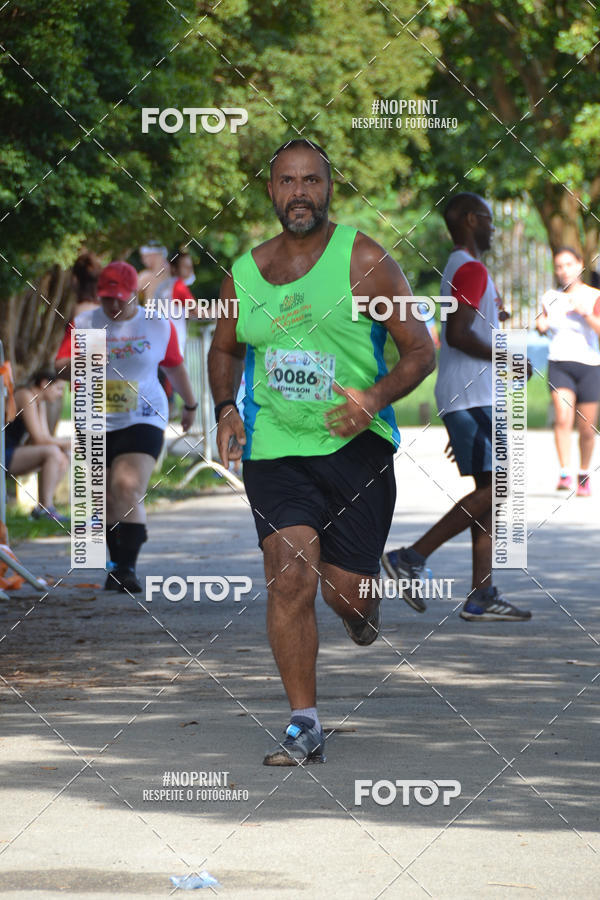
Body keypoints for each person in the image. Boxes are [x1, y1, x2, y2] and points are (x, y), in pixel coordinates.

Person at [208, 139, 435, 766]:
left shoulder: (364, 260)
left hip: (356, 447)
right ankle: (303, 724)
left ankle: (363, 610)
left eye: (312, 180)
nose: (300, 192)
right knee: (289, 575)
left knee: (344, 593)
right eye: (287, 181)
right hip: (276, 448)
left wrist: (373, 396)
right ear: (271, 190)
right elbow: (224, 349)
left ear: (328, 188)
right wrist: (227, 408)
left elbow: (420, 351)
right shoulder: (245, 273)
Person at [382, 192, 532, 623]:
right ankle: (413, 555)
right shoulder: (468, 268)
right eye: (488, 218)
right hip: (473, 395)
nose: (493, 228)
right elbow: (458, 334)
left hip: (471, 396)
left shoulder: (464, 268)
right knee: (500, 487)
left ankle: (481, 594)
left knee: (493, 492)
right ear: (470, 219)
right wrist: (510, 360)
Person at [56, 261, 198, 592]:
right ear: (98, 295)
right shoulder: (85, 322)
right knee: (104, 494)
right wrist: (81, 360)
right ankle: (114, 563)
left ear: (135, 294)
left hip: (143, 414)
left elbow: (175, 367)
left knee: (127, 486)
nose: (114, 306)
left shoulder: (156, 324)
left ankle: (127, 568)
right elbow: (59, 367)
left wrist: (190, 404)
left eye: (121, 298)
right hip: (93, 415)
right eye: (107, 299)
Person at [536, 247, 600, 496]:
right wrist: (540, 325)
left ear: (580, 265)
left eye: (568, 265)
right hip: (559, 362)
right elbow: (543, 321)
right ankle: (564, 472)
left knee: (586, 427)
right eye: (559, 266)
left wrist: (585, 313)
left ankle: (583, 473)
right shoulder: (550, 296)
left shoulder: (594, 296)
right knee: (562, 418)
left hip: (589, 365)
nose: (563, 271)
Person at [4, 370, 70, 522]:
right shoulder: (25, 395)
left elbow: (44, 438)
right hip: (3, 453)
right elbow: (39, 439)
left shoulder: (40, 402)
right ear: (44, 383)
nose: (60, 394)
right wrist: (70, 443)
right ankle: (46, 509)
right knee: (53, 452)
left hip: (11, 452)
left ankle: (43, 509)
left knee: (63, 455)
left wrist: (67, 445)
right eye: (58, 388)